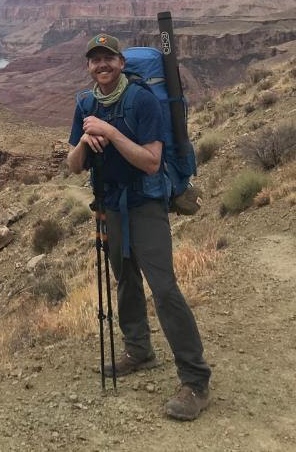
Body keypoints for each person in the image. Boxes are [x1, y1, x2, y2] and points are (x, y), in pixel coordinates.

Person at [66, 33, 212, 421]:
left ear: (121, 62)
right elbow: (74, 165)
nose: (102, 65)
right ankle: (139, 350)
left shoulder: (143, 100)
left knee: (163, 288)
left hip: (145, 203)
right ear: (88, 66)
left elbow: (150, 161)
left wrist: (111, 133)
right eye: (95, 60)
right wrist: (84, 140)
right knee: (126, 279)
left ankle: (195, 380)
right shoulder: (85, 103)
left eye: (109, 58)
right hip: (110, 205)